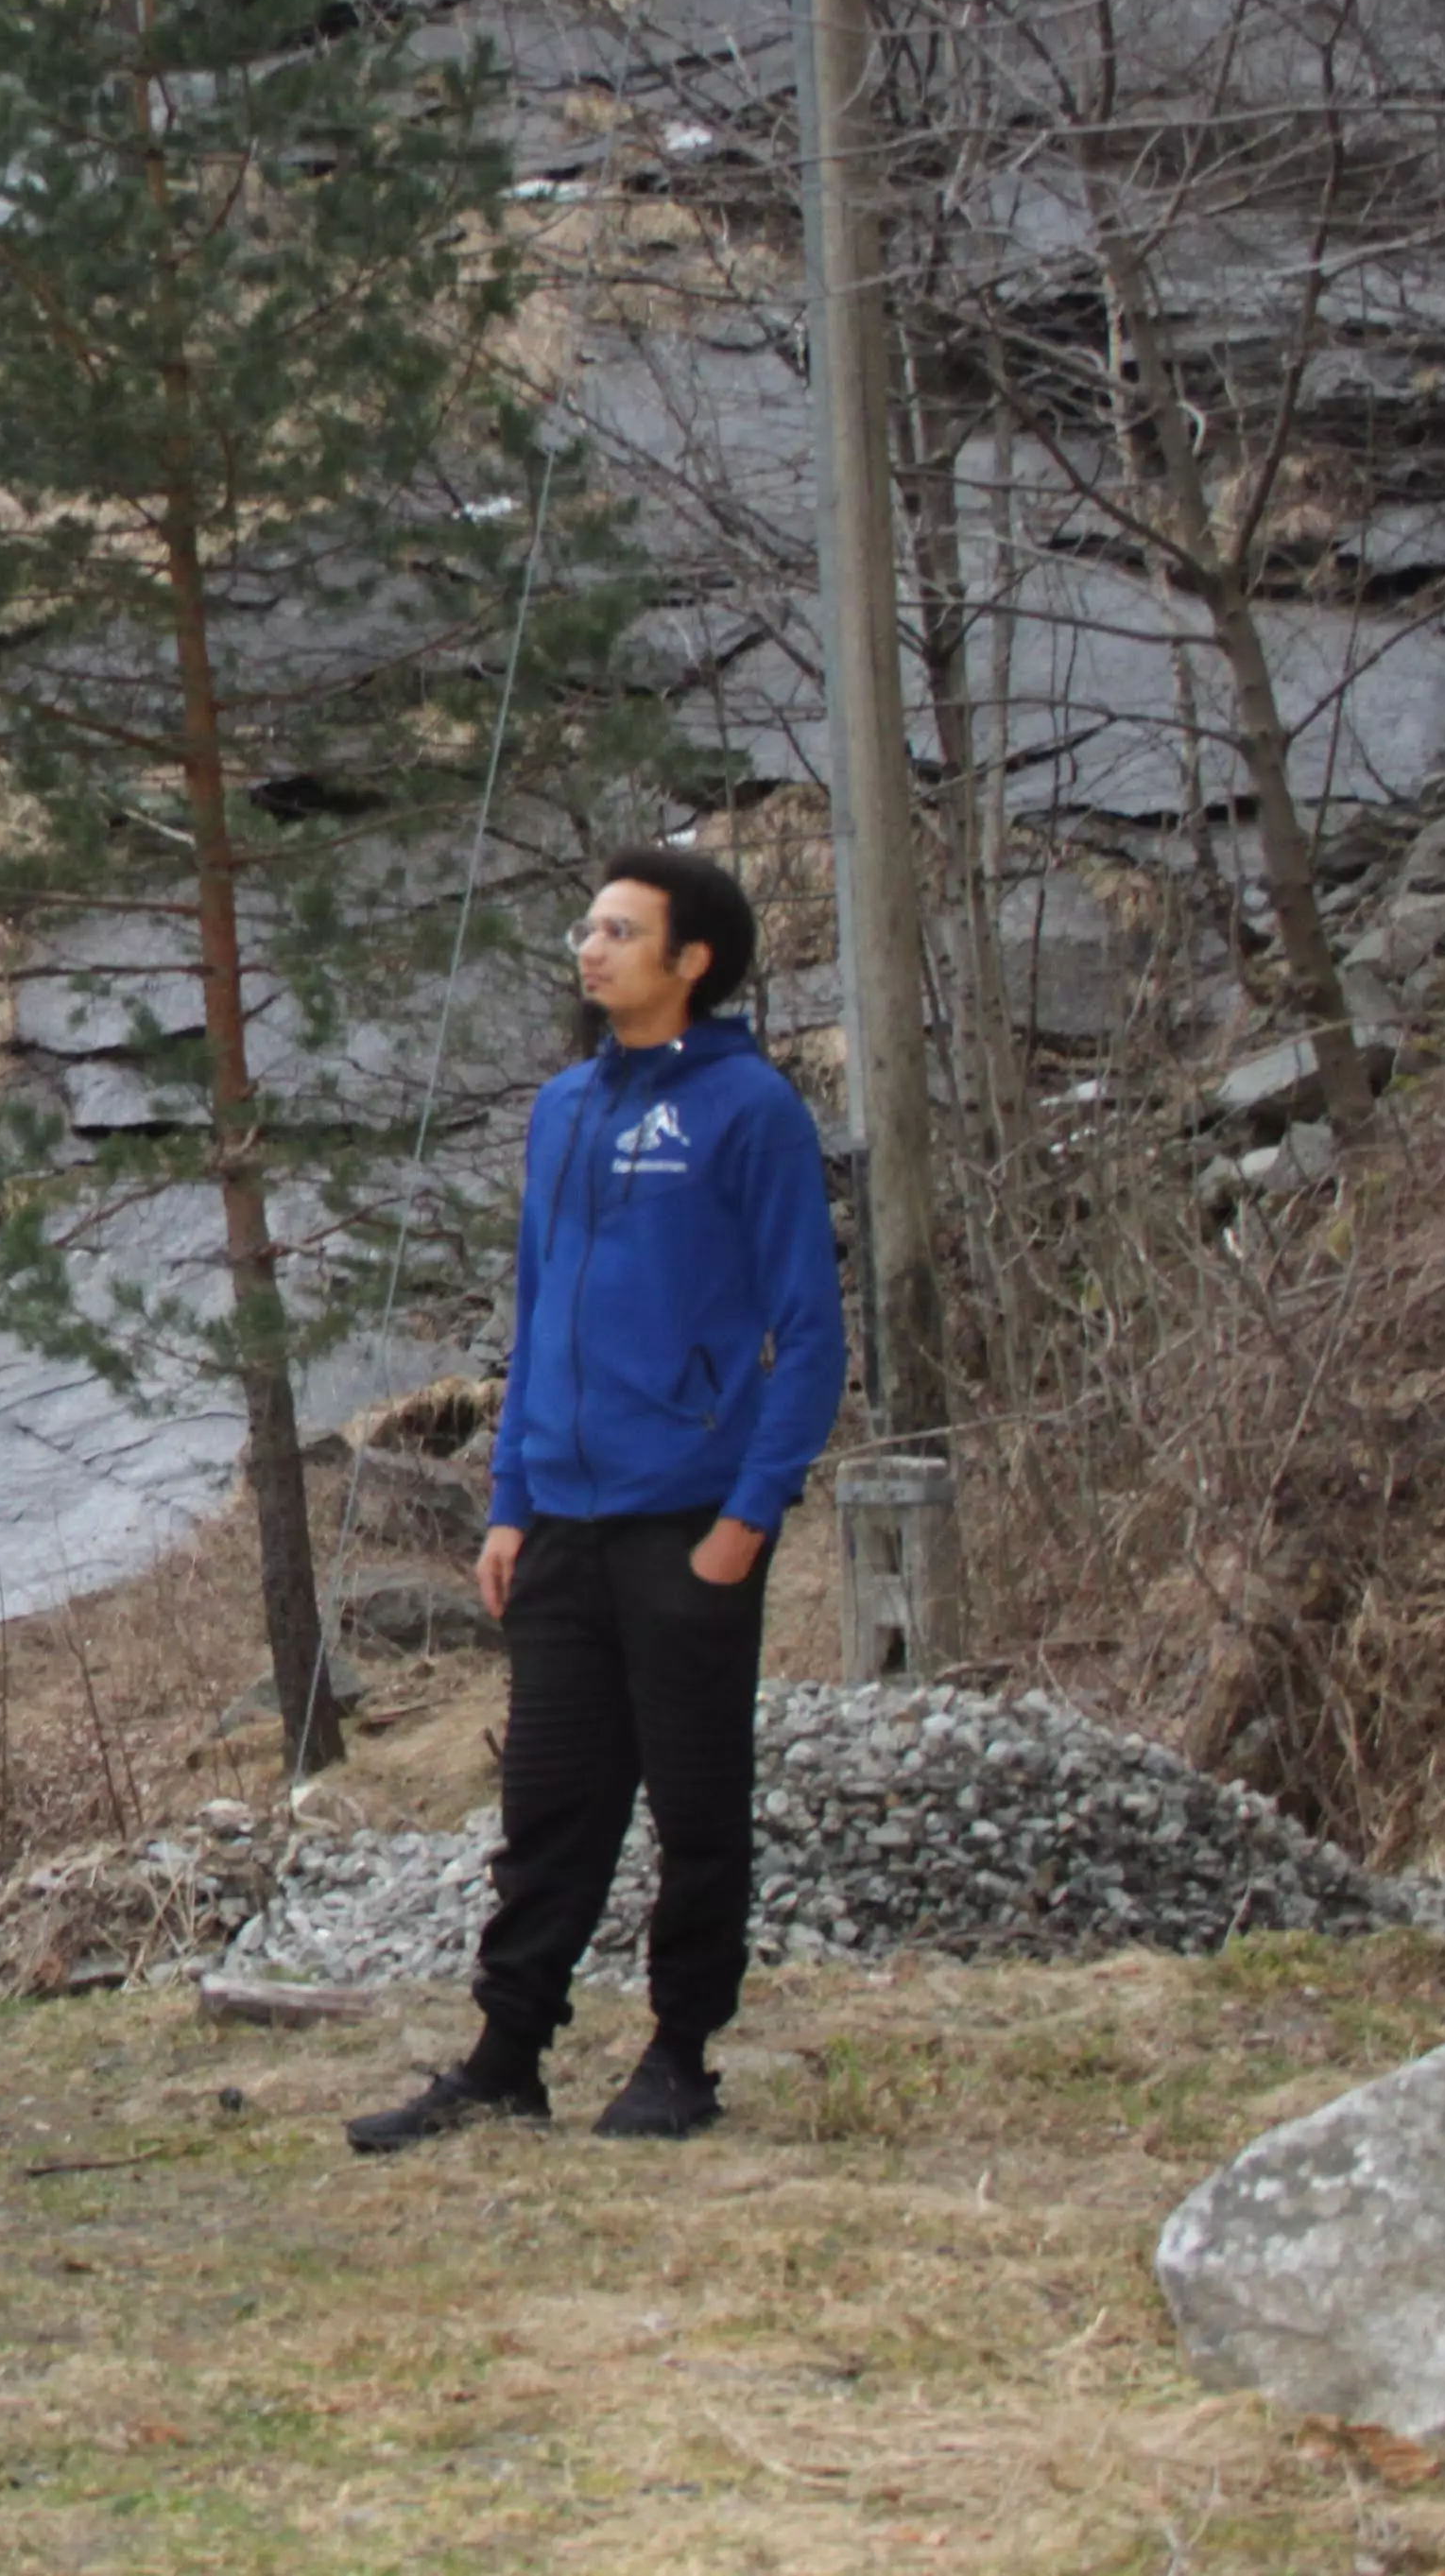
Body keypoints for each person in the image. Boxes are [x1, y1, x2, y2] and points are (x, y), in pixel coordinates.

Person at [346, 847, 847, 2152]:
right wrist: (508, 1501)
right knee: (548, 1808)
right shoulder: (564, 1108)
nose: (591, 946)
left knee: (694, 1801)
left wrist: (748, 1519)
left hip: (688, 1521)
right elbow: (535, 1316)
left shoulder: (750, 1109)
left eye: (621, 930)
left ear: (693, 959)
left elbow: (810, 1331)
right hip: (559, 1520)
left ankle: (680, 2056)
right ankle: (505, 2059)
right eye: (588, 927)